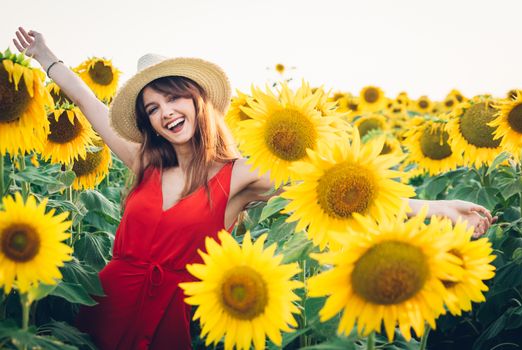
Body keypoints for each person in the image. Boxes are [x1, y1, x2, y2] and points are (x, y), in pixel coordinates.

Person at [13, 27, 495, 350]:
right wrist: (46, 57)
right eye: (153, 108)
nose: (166, 112)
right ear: (148, 123)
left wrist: (433, 206)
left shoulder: (240, 174)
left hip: (179, 317)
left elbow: (331, 192)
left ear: (199, 100)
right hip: (109, 300)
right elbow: (88, 104)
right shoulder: (143, 162)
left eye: (175, 96)